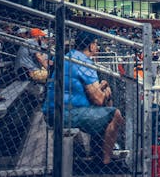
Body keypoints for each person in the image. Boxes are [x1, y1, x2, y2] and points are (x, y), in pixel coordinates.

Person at [43, 31, 125, 169]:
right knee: (115, 114)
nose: (97, 48)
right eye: (96, 45)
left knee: (103, 110)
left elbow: (87, 90)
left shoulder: (71, 56)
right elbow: (98, 100)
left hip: (58, 109)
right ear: (91, 46)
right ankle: (105, 163)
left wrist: (102, 87)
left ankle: (99, 155)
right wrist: (106, 93)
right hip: (67, 112)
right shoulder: (84, 62)